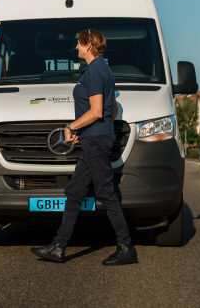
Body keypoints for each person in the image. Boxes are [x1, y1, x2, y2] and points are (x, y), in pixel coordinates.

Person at [30, 29, 138, 266]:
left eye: (78, 44)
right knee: (74, 192)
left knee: (106, 194)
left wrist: (72, 127)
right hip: (94, 138)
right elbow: (114, 110)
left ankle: (126, 246)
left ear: (88, 44)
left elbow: (98, 111)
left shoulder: (94, 71)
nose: (75, 48)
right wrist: (86, 130)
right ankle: (59, 246)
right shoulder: (102, 69)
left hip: (96, 141)